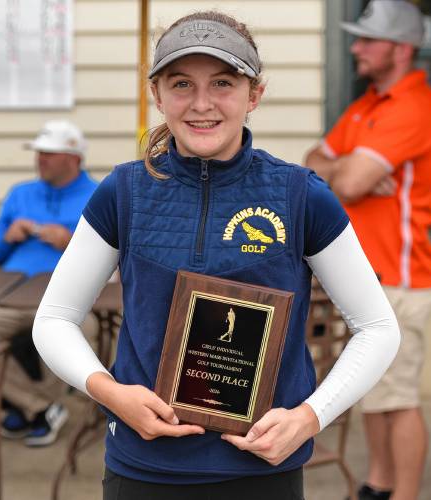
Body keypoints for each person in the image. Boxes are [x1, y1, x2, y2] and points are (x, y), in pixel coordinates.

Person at [33, 11, 400, 499]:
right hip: (142, 470)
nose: (202, 104)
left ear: (254, 95)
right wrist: (111, 393)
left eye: (223, 83)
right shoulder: (124, 192)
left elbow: (377, 328)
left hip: (261, 472)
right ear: (157, 95)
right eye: (182, 84)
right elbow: (54, 319)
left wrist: (310, 417)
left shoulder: (300, 195)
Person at [304, 2, 431, 499]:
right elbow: (314, 163)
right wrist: (345, 168)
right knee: (374, 392)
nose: (356, 48)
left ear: (401, 49)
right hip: (368, 278)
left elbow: (349, 179)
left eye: (368, 40)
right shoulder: (368, 104)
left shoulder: (415, 105)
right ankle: (377, 486)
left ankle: (401, 493)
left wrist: (344, 171)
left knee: (398, 398)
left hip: (400, 279)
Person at [0, 120, 98, 447]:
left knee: (85, 330)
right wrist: (8, 237)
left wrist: (71, 241)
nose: (40, 160)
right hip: (11, 295)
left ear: (74, 158)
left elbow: (115, 256)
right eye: (39, 153)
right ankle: (40, 407)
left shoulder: (97, 194)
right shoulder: (19, 194)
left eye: (49, 154)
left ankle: (36, 408)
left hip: (67, 296)